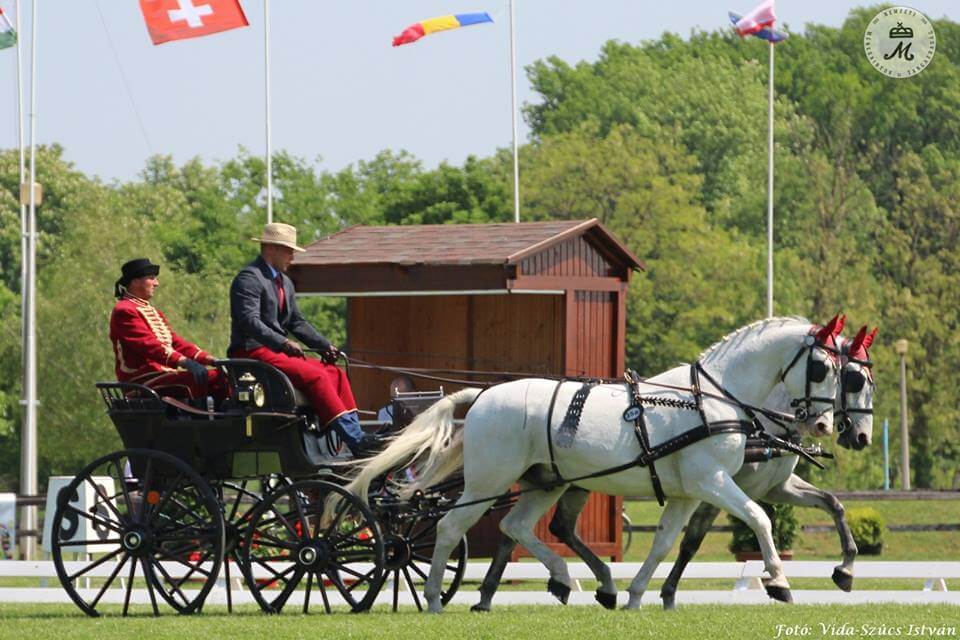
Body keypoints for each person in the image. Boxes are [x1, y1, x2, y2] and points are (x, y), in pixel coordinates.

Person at [228, 222, 375, 456]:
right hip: (252, 351)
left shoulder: (284, 282)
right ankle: (356, 440)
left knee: (335, 372)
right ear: (270, 249)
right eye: (288, 250)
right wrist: (283, 342)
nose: (292, 257)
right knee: (315, 375)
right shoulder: (249, 279)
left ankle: (354, 437)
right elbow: (249, 321)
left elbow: (296, 322)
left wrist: (324, 346)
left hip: (275, 352)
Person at [110, 258, 224, 400]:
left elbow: (175, 343)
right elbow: (148, 345)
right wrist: (184, 362)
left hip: (162, 375)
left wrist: (209, 359)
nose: (156, 283)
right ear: (135, 281)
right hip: (142, 380)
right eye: (151, 278)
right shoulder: (124, 310)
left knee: (223, 377)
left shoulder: (152, 311)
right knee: (202, 379)